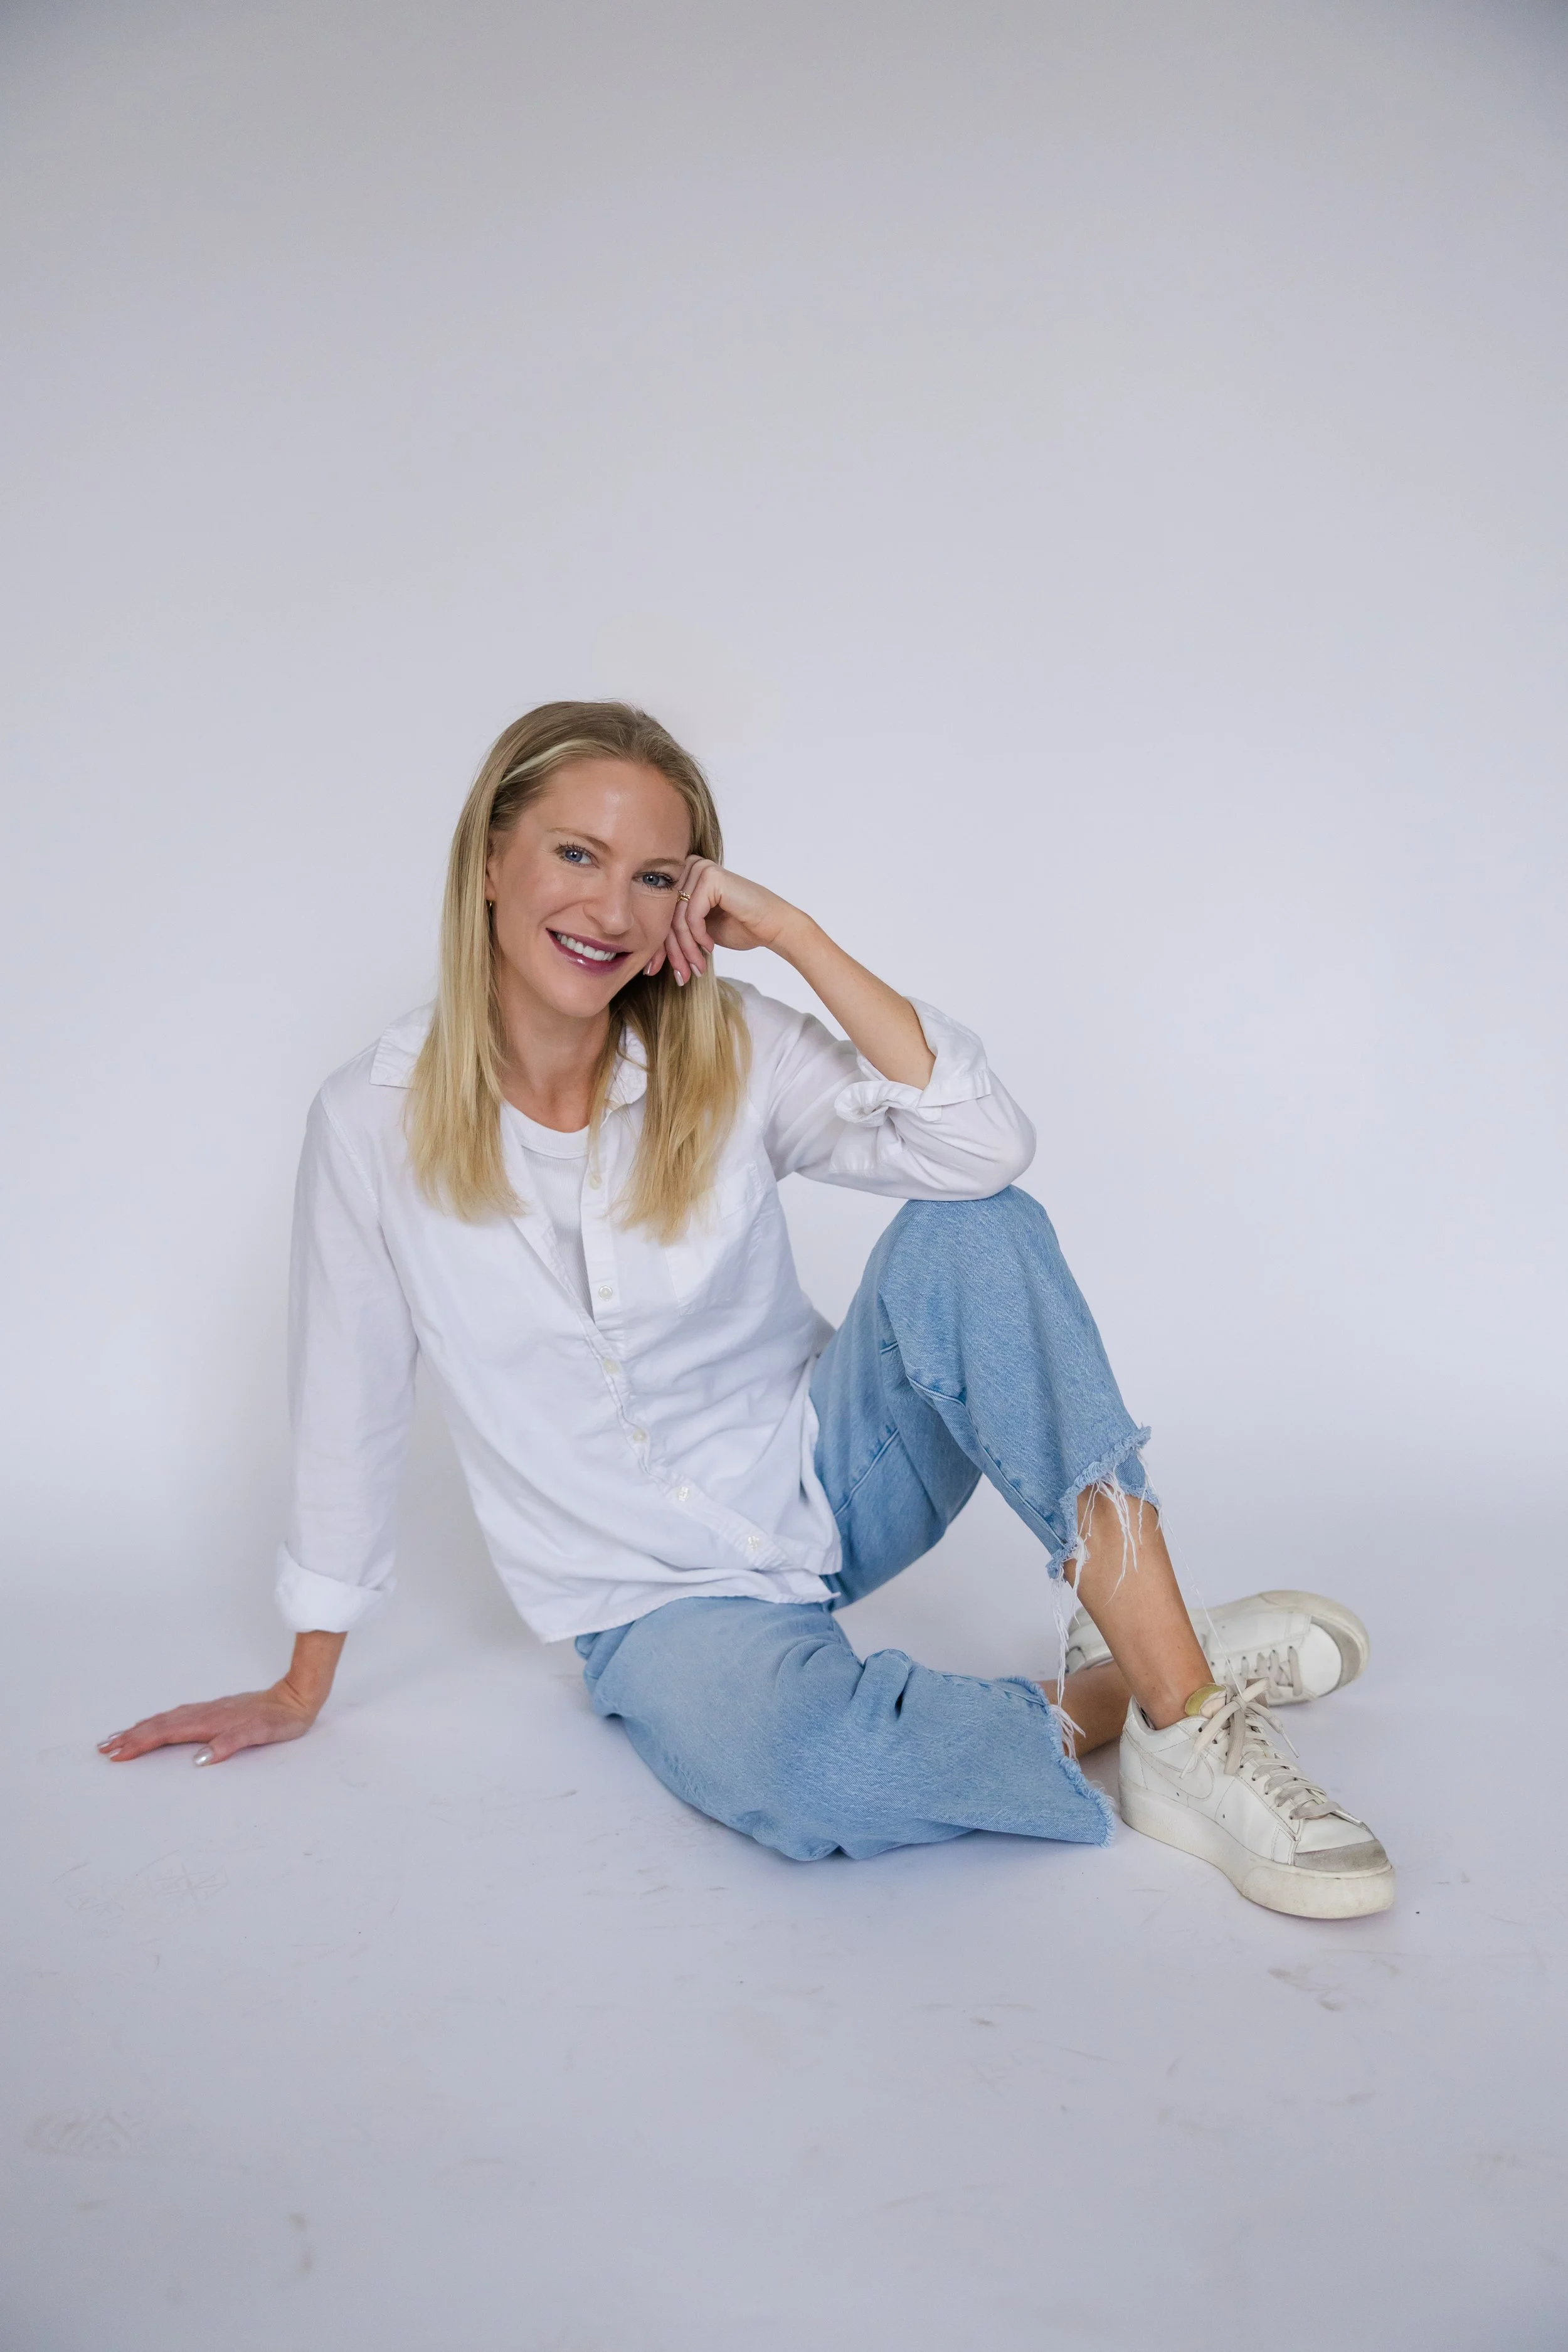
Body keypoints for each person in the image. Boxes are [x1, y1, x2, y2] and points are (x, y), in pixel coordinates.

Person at [100, 702, 1393, 1919]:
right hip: (651, 1603)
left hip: (834, 1478)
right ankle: (1138, 1675)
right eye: (576, 853)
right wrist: (302, 1683)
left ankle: (1188, 1722)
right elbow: (348, 1399)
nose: (611, 909)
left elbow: (981, 1149)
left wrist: (795, 936)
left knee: (977, 1226)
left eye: (656, 876)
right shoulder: (369, 1120)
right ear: (490, 859)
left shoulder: (725, 1043)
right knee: (822, 1778)